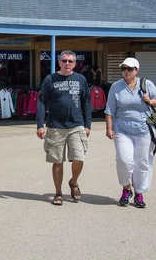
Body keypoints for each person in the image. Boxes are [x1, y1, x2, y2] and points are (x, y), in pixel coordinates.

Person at [105, 57, 156, 208]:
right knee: (124, 160)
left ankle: (139, 193)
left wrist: (150, 101)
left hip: (144, 130)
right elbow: (110, 109)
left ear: (137, 70)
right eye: (123, 69)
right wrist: (109, 128)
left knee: (142, 162)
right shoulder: (116, 87)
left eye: (129, 69)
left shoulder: (146, 84)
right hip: (122, 129)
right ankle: (126, 189)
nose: (126, 72)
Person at [37, 50, 92, 206]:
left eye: (70, 61)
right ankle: (58, 193)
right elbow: (41, 102)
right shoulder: (50, 79)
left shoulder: (80, 79)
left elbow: (86, 102)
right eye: (64, 61)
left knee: (79, 157)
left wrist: (88, 125)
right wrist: (40, 124)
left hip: (76, 125)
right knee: (57, 160)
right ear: (59, 62)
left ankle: (73, 182)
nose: (67, 64)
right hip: (56, 126)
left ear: (75, 64)